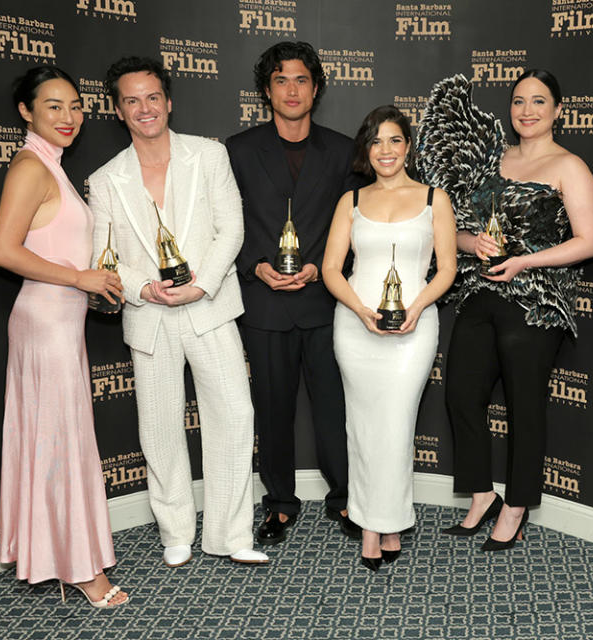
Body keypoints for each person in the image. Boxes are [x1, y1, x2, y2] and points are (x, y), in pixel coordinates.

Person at [416, 71, 593, 551]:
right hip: (480, 293)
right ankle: (482, 494)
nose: (527, 110)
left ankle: (516, 506)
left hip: (536, 304)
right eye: (518, 101)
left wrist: (524, 261)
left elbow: (590, 242)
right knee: (461, 395)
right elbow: (461, 231)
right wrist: (472, 242)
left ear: (558, 110)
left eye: (538, 101)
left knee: (524, 406)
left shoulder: (568, 166)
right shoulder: (494, 159)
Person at [88, 56, 268, 567]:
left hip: (208, 309)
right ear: (118, 110)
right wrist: (142, 287)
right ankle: (176, 532)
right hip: (150, 318)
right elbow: (102, 259)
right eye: (131, 100)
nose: (144, 108)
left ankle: (230, 535)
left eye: (152, 97)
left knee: (234, 415)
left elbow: (231, 229)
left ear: (168, 101)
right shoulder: (105, 180)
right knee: (160, 428)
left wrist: (202, 286)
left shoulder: (209, 156)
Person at [0, 66, 128, 607]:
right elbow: (3, 250)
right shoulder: (30, 166)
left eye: (75, 105)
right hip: (45, 322)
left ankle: (52, 553)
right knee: (61, 443)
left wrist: (88, 281)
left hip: (58, 321)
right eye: (53, 106)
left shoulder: (51, 165)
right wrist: (79, 277)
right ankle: (82, 570)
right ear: (26, 112)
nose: (68, 117)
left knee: (54, 442)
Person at [225, 41, 361, 546]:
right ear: (267, 90)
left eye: (301, 79)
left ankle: (345, 496)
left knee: (333, 409)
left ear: (316, 87)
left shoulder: (344, 150)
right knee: (272, 408)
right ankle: (280, 500)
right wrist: (256, 266)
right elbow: (226, 225)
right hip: (263, 304)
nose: (291, 89)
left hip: (325, 300)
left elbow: (353, 224)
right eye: (281, 80)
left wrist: (319, 267)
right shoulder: (237, 150)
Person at [322, 106, 456, 570]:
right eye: (376, 141)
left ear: (408, 147)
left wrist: (416, 309)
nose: (385, 150)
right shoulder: (351, 202)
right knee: (361, 427)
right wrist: (360, 311)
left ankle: (391, 520)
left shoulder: (435, 199)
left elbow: (448, 269)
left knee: (396, 426)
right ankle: (370, 525)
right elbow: (331, 270)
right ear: (366, 149)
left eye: (395, 140)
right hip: (356, 325)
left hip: (413, 328)